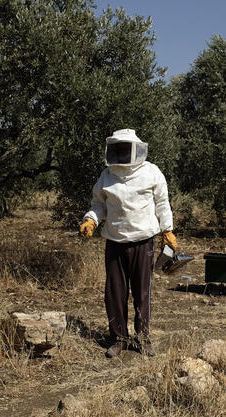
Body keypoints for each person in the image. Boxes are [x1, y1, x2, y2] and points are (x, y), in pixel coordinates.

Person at [79, 129, 177, 358]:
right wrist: (90, 220)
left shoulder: (152, 172)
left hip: (143, 242)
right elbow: (98, 204)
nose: (122, 152)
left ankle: (143, 338)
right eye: (118, 148)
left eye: (125, 148)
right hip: (114, 242)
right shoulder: (107, 175)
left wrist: (168, 230)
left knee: (142, 293)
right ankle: (119, 338)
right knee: (115, 293)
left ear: (135, 149)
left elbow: (162, 203)